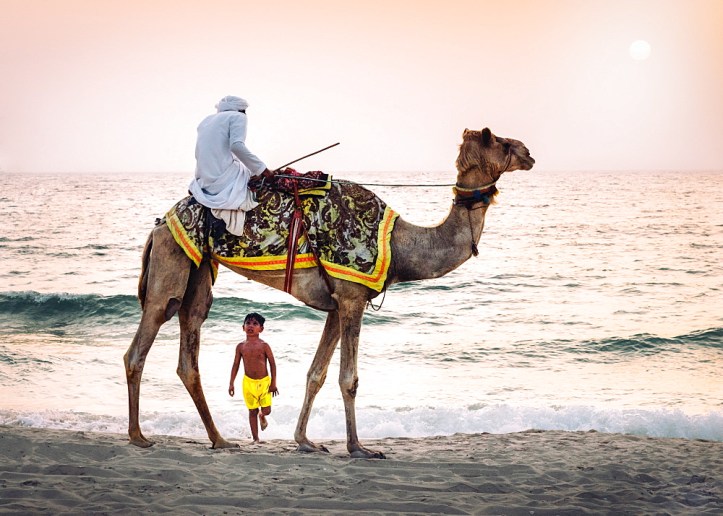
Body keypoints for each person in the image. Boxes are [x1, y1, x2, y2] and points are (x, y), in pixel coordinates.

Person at [189, 95, 275, 236]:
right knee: (259, 181)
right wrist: (262, 169)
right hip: (223, 180)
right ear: (241, 110)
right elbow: (236, 146)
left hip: (204, 181)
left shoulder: (206, 120)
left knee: (246, 168)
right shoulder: (238, 117)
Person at [228, 312, 279, 443]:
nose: (251, 326)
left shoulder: (264, 345)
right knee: (252, 411)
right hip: (248, 383)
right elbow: (235, 365)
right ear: (243, 327)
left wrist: (274, 383)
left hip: (264, 383)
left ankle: (262, 416)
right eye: (248, 323)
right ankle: (256, 439)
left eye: (255, 324)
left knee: (267, 410)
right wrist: (231, 383)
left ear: (261, 329)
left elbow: (273, 364)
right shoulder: (240, 346)